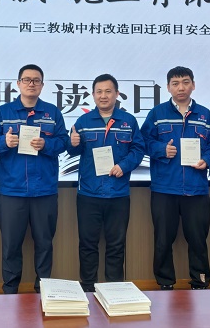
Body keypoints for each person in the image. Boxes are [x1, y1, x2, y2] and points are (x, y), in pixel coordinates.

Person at [0, 64, 68, 294]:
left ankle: (44, 289)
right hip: (13, 190)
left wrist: (46, 144)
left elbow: (64, 142)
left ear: (42, 85)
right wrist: (4, 142)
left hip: (45, 190)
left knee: (45, 243)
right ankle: (10, 291)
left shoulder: (52, 113)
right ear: (18, 84)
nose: (31, 84)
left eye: (36, 80)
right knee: (11, 245)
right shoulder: (3, 113)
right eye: (27, 80)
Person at [140, 66, 210, 290]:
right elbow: (143, 142)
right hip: (165, 188)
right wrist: (161, 149)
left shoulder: (205, 115)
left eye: (185, 82)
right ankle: (165, 284)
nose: (180, 87)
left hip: (196, 188)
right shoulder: (157, 114)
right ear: (168, 87)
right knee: (163, 241)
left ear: (193, 85)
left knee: (198, 240)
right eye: (175, 83)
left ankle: (199, 282)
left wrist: (207, 160)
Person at [67, 74, 145, 292]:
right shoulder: (83, 122)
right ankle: (88, 289)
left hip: (118, 193)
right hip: (88, 194)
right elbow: (72, 150)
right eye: (99, 92)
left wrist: (124, 166)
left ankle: (114, 291)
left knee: (116, 246)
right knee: (87, 245)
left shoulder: (128, 121)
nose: (103, 96)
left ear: (116, 94)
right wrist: (72, 142)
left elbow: (138, 149)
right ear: (93, 95)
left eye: (108, 91)